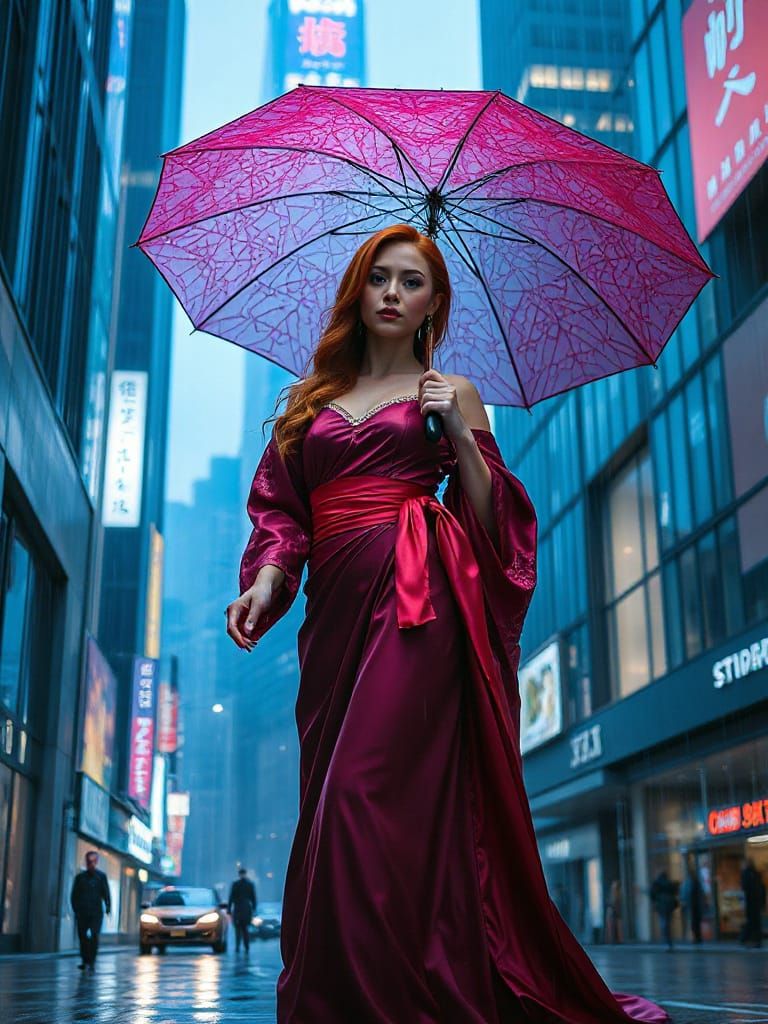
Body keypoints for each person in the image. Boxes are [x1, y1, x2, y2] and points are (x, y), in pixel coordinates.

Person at [226, 224, 669, 1023]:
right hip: (330, 623)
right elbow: (281, 516)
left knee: (363, 794)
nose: (394, 293)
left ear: (436, 302)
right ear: (358, 291)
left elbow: (497, 521)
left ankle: (386, 996)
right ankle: (364, 989)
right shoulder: (310, 404)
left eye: (413, 282)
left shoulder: (452, 390)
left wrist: (459, 432)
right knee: (336, 803)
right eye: (381, 278)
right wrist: (265, 582)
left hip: (417, 602)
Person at [70, 850, 111, 972]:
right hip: (82, 912)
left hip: (96, 913)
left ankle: (91, 961)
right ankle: (84, 960)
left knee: (94, 936)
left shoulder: (101, 877)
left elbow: (106, 893)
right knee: (82, 937)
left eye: (93, 861)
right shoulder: (80, 878)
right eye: (89, 861)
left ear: (96, 862)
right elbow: (74, 895)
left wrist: (108, 907)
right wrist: (76, 909)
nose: (91, 863)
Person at [228, 867, 257, 953]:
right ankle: (245, 946)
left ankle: (239, 946)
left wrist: (229, 909)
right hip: (246, 909)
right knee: (244, 930)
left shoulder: (236, 884)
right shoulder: (249, 884)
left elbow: (231, 897)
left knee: (239, 929)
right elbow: (253, 898)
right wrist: (254, 909)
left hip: (238, 909)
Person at [650, 870, 678, 951]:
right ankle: (668, 941)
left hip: (662, 907)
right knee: (667, 923)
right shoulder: (669, 883)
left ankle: (667, 941)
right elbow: (675, 891)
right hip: (669, 907)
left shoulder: (657, 884)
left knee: (664, 924)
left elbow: (652, 894)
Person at [741, 857, 765, 948]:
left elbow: (744, 887)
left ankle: (747, 938)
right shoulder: (755, 873)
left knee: (751, 921)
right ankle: (755, 940)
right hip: (756, 901)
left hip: (751, 901)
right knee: (755, 922)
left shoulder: (747, 873)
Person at [680, 863, 704, 943]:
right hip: (694, 905)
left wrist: (684, 901)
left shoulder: (688, 882)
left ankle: (696, 938)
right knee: (695, 922)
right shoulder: (694, 882)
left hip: (692, 905)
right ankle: (697, 937)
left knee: (694, 922)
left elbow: (685, 893)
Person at [605, 879, 623, 944]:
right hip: (612, 911)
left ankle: (619, 939)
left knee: (618, 925)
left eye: (615, 886)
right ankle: (611, 939)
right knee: (611, 925)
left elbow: (616, 903)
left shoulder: (618, 894)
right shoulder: (612, 894)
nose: (613, 887)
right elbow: (610, 903)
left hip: (616, 912)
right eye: (613, 886)